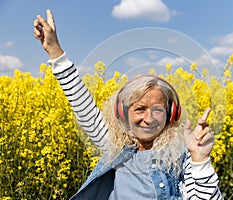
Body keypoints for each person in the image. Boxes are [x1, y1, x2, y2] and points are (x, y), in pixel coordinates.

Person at [33, 9, 223, 200]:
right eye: (140, 109)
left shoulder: (180, 155)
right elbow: (83, 106)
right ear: (122, 113)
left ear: (171, 114)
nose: (148, 119)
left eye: (157, 110)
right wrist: (55, 51)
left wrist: (200, 161)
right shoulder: (116, 146)